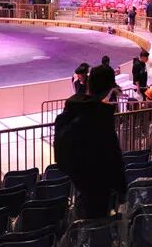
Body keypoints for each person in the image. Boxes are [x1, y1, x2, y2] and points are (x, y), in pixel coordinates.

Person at [54, 79, 126, 219]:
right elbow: (113, 153)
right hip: (98, 181)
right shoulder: (101, 117)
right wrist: (121, 187)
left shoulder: (67, 121)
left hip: (83, 179)